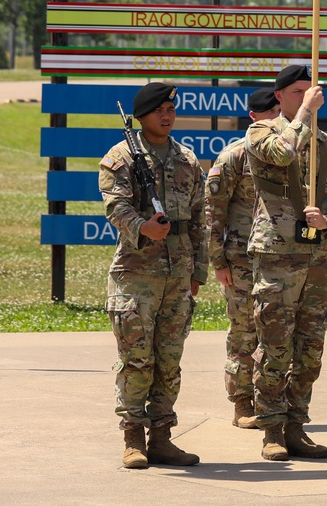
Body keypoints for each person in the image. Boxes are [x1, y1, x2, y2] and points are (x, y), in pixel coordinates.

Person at [245, 65, 327, 461]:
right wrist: (304, 116)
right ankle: (271, 429)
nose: (305, 98)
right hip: (277, 258)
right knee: (275, 346)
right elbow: (282, 152)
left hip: (317, 260)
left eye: (310, 93)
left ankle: (296, 424)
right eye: (297, 92)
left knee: (310, 350)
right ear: (280, 96)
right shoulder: (261, 133)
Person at [99, 82, 206, 469]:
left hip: (178, 272)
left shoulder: (187, 160)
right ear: (141, 115)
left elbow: (199, 218)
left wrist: (200, 269)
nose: (167, 115)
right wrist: (143, 227)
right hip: (137, 273)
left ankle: (162, 437)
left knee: (169, 359)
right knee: (136, 358)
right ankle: (133, 437)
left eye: (171, 108)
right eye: (160, 109)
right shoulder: (122, 156)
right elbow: (115, 205)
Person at [204, 87, 282, 429]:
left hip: (279, 260)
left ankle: (272, 401)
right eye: (270, 113)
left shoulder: (288, 154)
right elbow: (212, 212)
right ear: (253, 117)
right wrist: (218, 261)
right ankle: (242, 402)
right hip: (241, 260)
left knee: (277, 333)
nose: (276, 119)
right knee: (244, 332)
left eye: (279, 112)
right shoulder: (235, 156)